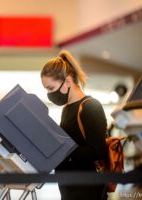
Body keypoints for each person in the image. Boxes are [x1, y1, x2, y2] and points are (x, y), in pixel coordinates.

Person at [40, 50, 107, 200]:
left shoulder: (91, 106)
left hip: (87, 188)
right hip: (68, 185)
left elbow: (97, 150)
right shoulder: (66, 109)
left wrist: (64, 152)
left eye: (50, 88)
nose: (49, 94)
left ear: (68, 82)